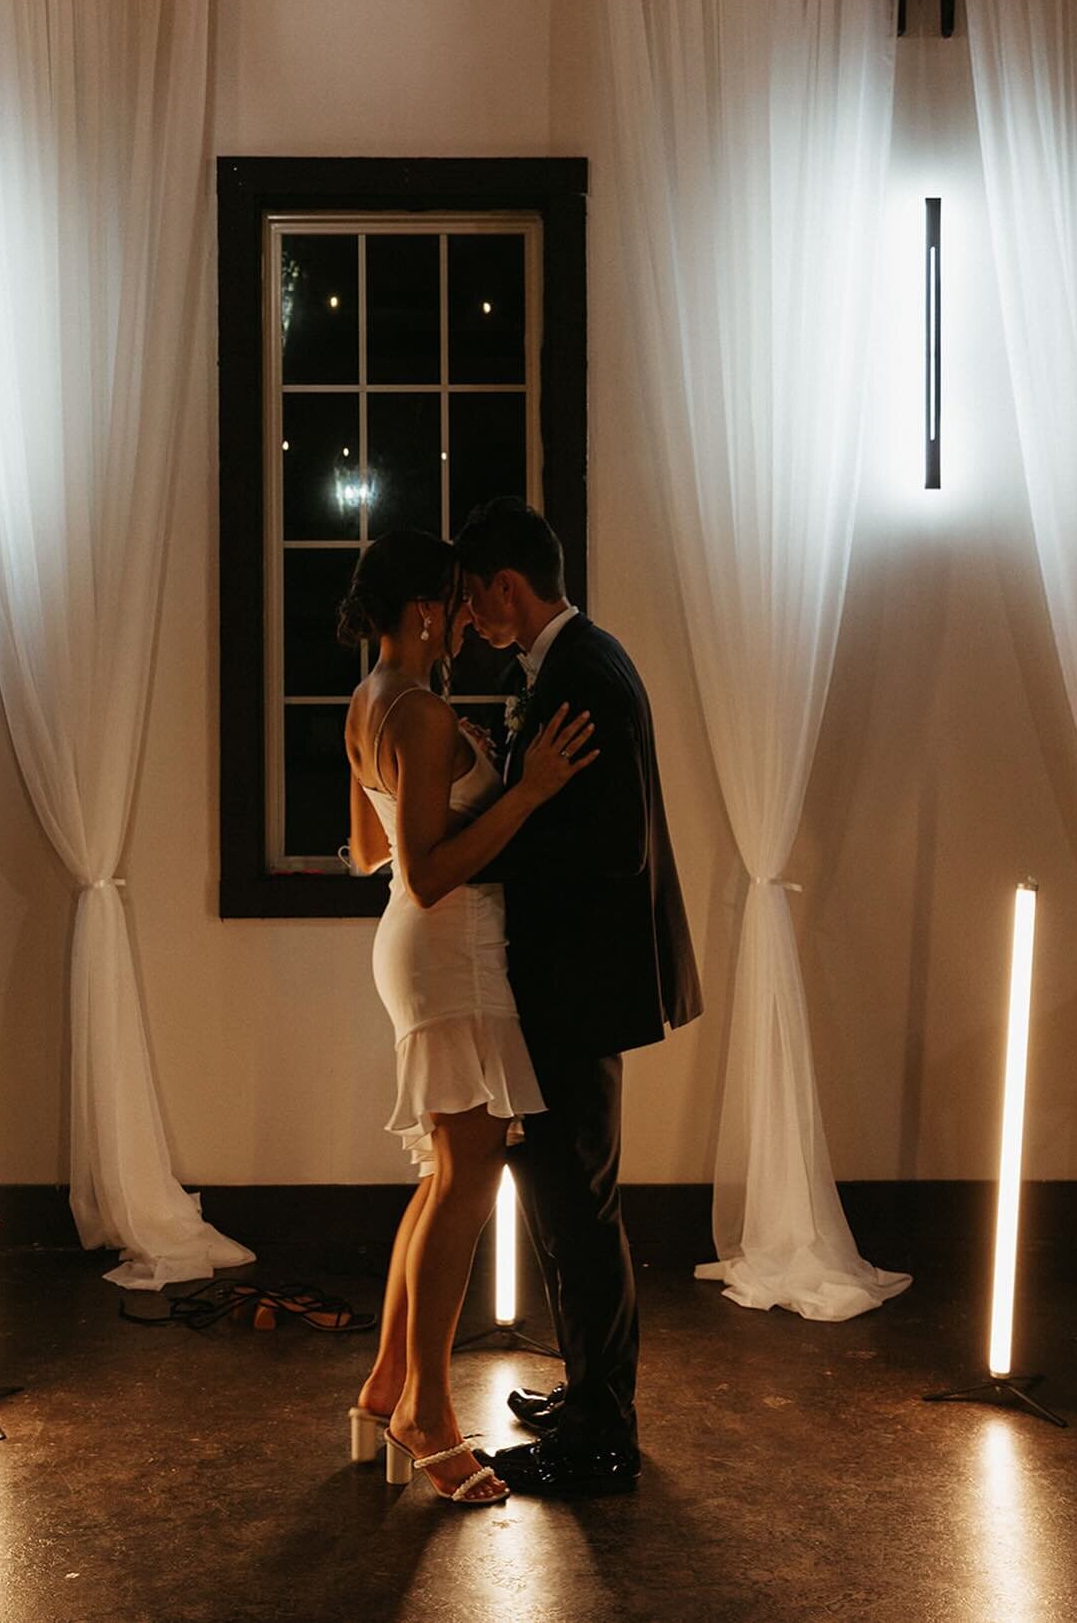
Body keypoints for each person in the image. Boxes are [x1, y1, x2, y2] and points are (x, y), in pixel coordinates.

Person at [339, 529, 598, 1506]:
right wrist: (523, 788)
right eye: (452, 602)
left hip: (415, 948)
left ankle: (383, 1387)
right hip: (451, 952)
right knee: (467, 1177)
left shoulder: (370, 701)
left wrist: (455, 776)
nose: (463, 620)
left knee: (448, 1174)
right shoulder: (423, 708)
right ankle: (429, 1413)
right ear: (423, 610)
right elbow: (425, 868)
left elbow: (364, 846)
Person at [453, 497, 703, 1497]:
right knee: (566, 1201)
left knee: (579, 1205)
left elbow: (600, 846)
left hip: (576, 985)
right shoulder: (584, 659)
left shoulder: (582, 671)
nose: (471, 623)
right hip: (576, 981)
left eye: (475, 602)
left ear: (507, 585)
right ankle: (587, 1388)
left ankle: (604, 1431)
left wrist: (495, 830)